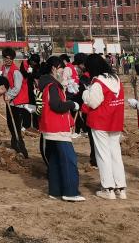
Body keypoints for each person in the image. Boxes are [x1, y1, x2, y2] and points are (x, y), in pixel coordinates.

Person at [37, 57, 83, 201]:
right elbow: (56, 105)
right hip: (57, 127)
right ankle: (71, 192)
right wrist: (71, 104)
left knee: (55, 159)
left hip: (49, 127)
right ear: (54, 68)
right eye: (61, 68)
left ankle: (55, 190)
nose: (63, 71)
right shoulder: (52, 85)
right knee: (69, 159)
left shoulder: (46, 84)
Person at [82, 54, 126, 199]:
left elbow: (93, 102)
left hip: (100, 121)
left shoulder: (97, 83)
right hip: (115, 120)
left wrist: (85, 93)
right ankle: (120, 187)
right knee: (115, 154)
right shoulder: (116, 79)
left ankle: (108, 188)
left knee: (103, 154)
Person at [0, 49, 31, 156]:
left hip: (17, 102)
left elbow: (17, 88)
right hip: (9, 101)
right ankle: (14, 144)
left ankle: (21, 148)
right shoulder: (3, 68)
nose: (7, 60)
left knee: (16, 125)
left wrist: (9, 96)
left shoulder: (16, 71)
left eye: (10, 59)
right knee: (10, 123)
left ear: (12, 59)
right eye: (6, 58)